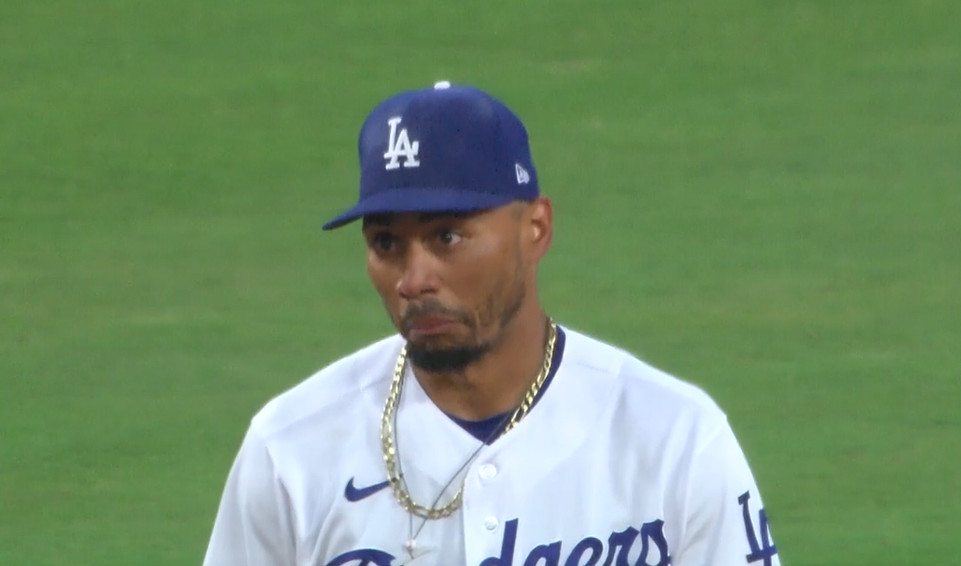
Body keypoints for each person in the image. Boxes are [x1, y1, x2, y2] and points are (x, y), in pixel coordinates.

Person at [203, 81, 781, 566]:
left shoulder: (676, 440)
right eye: (386, 243)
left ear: (536, 229)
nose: (413, 279)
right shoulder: (291, 450)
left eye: (446, 236)